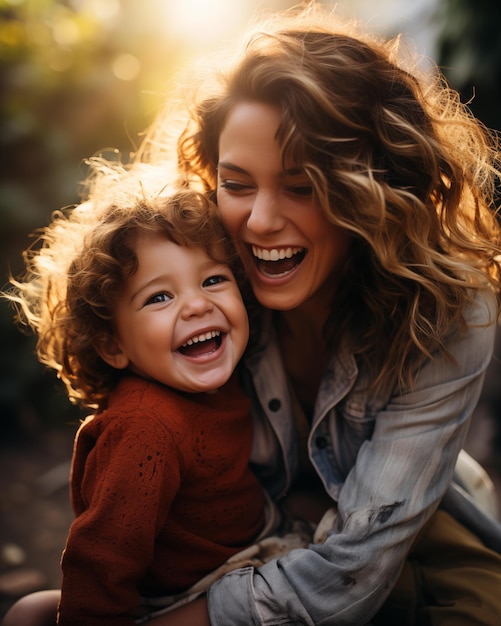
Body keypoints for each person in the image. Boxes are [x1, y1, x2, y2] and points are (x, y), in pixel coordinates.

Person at [136, 3, 501, 625]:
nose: (259, 222)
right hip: (236, 538)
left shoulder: (449, 309)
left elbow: (351, 571)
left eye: (303, 186)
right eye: (238, 183)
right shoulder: (196, 273)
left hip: (414, 527)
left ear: (376, 188)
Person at [1, 162, 287, 625]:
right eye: (159, 297)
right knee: (29, 613)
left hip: (250, 549)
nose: (198, 304)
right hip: (188, 595)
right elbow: (101, 560)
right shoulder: (145, 428)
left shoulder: (222, 377)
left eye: (213, 280)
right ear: (113, 345)